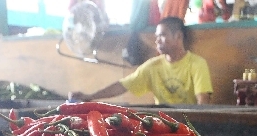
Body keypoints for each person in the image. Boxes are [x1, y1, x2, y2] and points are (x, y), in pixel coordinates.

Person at [69, 17, 213, 105]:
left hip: (188, 124)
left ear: (178, 36)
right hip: (162, 124)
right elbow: (123, 85)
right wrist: (90, 97)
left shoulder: (197, 64)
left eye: (162, 35)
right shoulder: (153, 66)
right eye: (157, 36)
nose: (157, 40)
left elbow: (203, 102)